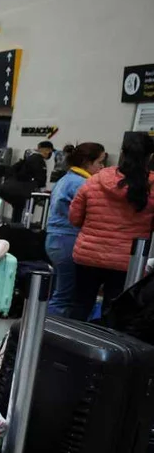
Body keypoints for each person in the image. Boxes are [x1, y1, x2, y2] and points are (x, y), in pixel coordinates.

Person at [68, 134, 154, 321]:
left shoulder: (95, 180)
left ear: (122, 153)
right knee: (114, 310)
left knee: (80, 305)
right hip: (127, 261)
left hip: (88, 254)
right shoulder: (151, 187)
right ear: (150, 157)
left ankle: (68, 347)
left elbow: (74, 218)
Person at [43, 142, 106, 317]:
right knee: (64, 296)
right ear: (86, 161)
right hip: (68, 240)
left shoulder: (66, 178)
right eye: (99, 162)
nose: (102, 167)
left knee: (60, 291)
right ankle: (50, 334)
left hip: (56, 240)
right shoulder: (81, 183)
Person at [0, 141, 53, 220]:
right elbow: (40, 178)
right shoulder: (38, 160)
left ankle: (15, 227)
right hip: (24, 191)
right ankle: (24, 226)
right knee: (27, 211)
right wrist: (42, 190)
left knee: (18, 211)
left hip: (15, 189)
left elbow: (14, 170)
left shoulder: (29, 158)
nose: (50, 153)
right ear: (47, 150)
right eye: (50, 151)